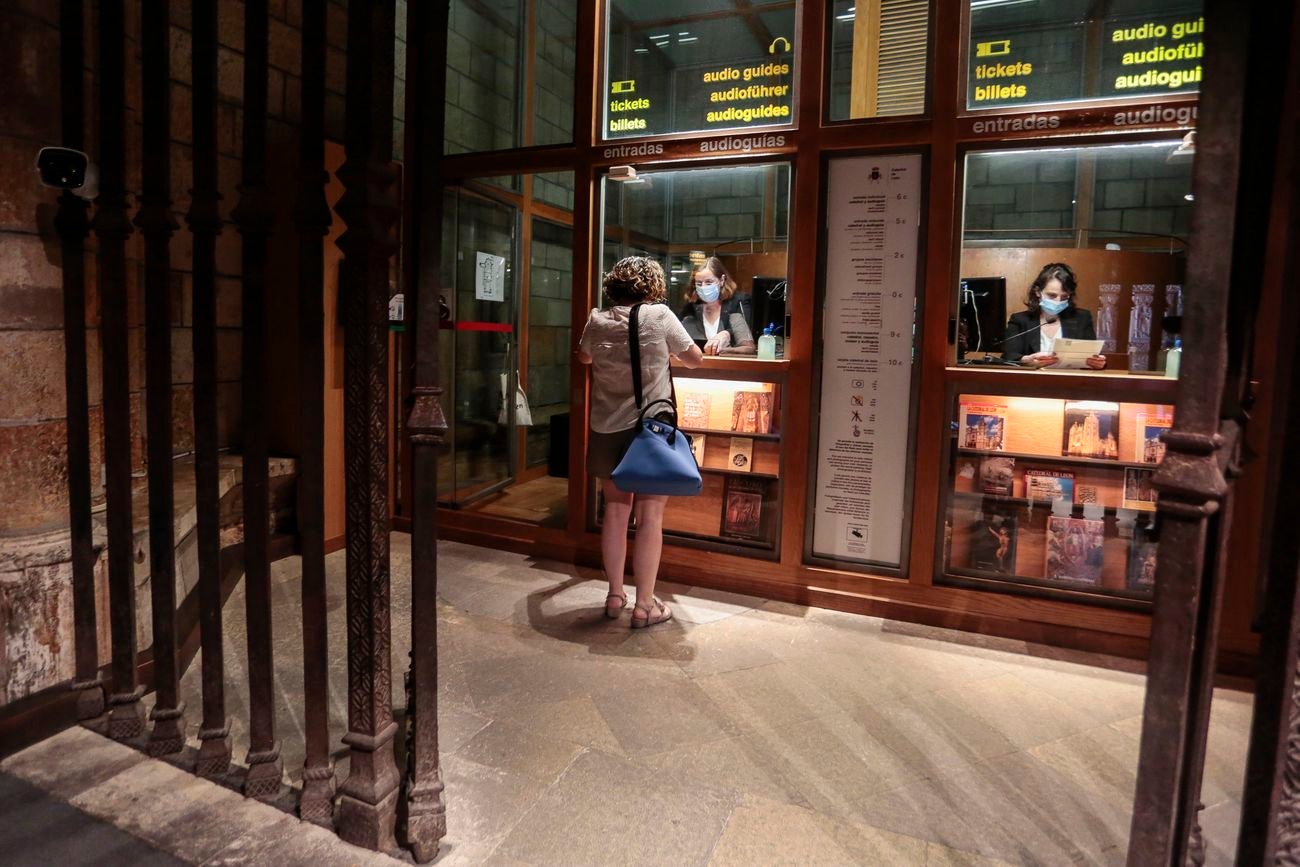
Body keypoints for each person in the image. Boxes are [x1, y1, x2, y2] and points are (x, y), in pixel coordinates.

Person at [577, 257, 704, 628]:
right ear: (652, 288)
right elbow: (693, 359)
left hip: (606, 427)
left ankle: (615, 595)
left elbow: (584, 357)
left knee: (614, 514)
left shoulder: (596, 319)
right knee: (650, 516)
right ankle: (645, 606)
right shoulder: (660, 316)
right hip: (650, 431)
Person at [1001, 262, 1107, 369]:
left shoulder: (1082, 318)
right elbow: (1009, 357)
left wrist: (1098, 363)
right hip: (1031, 382)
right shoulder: (1020, 320)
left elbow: (1095, 357)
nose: (1058, 301)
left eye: (1064, 297)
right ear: (1038, 292)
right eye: (1052, 295)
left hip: (1073, 382)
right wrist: (1027, 361)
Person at [678, 257, 756, 356]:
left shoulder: (737, 302)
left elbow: (748, 343)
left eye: (709, 282)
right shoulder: (690, 308)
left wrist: (726, 334)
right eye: (699, 283)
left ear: (722, 280)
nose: (703, 287)